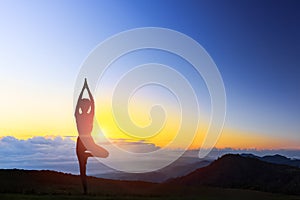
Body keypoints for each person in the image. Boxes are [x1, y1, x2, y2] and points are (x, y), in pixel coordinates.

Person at [75, 78, 109, 194]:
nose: (85, 107)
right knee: (82, 171)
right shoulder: (78, 115)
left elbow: (92, 104)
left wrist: (86, 89)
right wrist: (84, 89)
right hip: (83, 141)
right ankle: (85, 192)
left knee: (105, 154)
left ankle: (87, 156)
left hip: (87, 141)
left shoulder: (88, 115)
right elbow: (84, 103)